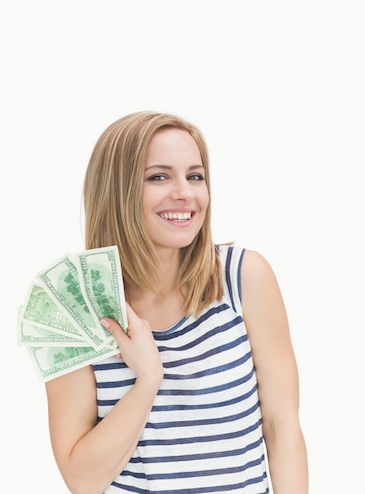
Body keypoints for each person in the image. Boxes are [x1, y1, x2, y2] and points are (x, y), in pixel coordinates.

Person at [45, 110, 309, 494]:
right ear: (117, 190)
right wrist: (148, 380)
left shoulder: (243, 277)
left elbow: (281, 425)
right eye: (159, 176)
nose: (186, 193)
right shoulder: (71, 307)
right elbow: (82, 480)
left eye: (195, 176)